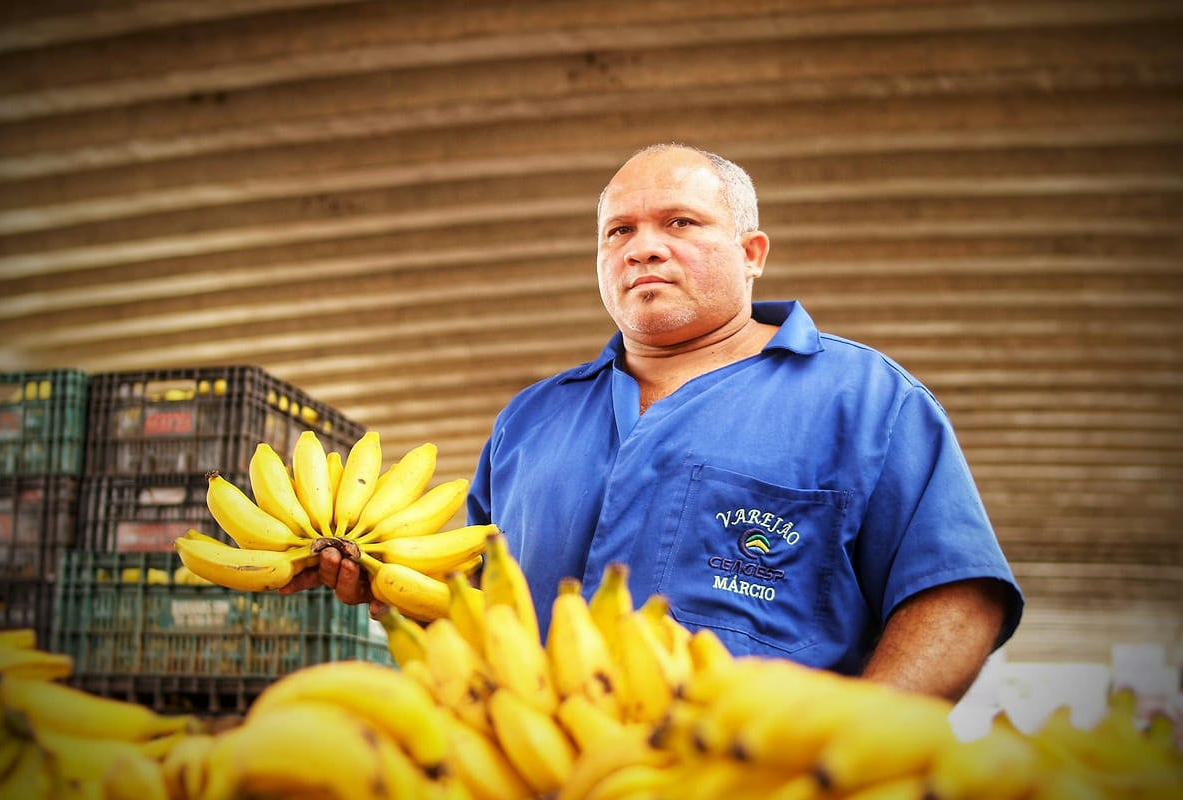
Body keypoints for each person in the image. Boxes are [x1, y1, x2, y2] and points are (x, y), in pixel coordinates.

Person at [284, 143, 1023, 702]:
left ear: (752, 253)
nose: (644, 246)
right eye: (619, 231)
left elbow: (956, 597)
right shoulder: (531, 420)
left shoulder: (867, 400)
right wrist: (386, 591)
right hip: (532, 765)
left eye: (680, 222)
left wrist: (852, 747)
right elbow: (476, 609)